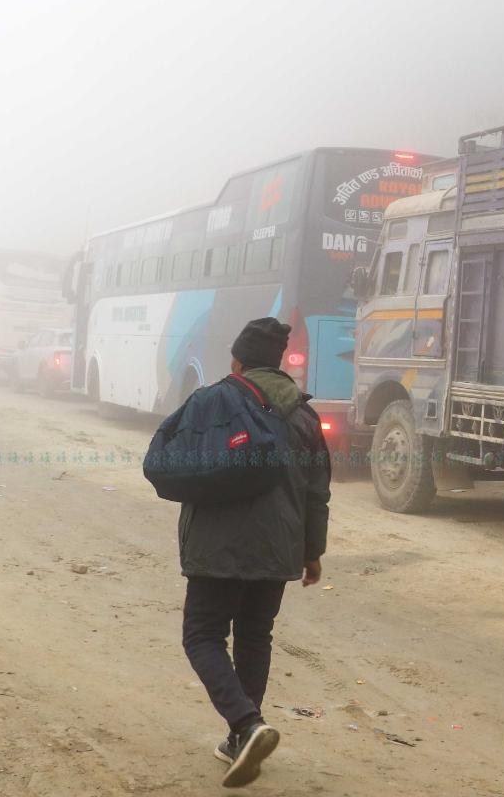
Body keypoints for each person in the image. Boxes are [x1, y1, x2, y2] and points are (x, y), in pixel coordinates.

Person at [177, 317, 330, 788]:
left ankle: (246, 725)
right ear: (279, 363)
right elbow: (315, 492)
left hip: (217, 545)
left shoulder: (213, 400)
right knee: (254, 635)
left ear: (238, 361)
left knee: (202, 636)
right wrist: (312, 553)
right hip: (279, 547)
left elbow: (176, 461)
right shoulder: (304, 416)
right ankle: (241, 739)